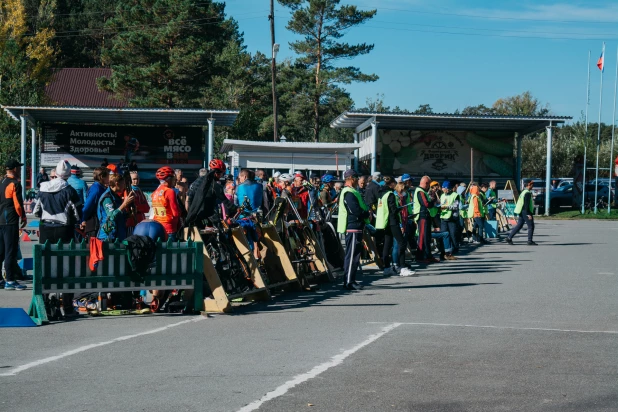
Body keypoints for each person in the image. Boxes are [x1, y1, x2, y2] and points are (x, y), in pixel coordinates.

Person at [337, 169, 370, 291]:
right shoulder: (348, 193)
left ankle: (351, 280)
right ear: (351, 178)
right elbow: (354, 210)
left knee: (355, 255)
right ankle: (349, 281)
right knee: (352, 256)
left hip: (356, 226)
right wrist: (366, 214)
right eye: (356, 177)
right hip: (352, 226)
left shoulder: (351, 191)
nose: (358, 180)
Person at [34, 159, 81, 244]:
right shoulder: (70, 191)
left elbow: (35, 210)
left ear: (55, 173)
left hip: (46, 228)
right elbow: (78, 214)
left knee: (45, 256)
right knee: (64, 256)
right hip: (65, 229)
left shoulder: (43, 188)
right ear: (69, 174)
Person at [376, 177, 414, 276]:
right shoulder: (391, 194)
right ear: (392, 184)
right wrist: (400, 209)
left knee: (387, 244)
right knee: (401, 243)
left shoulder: (382, 194)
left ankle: (387, 267)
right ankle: (402, 267)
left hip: (385, 221)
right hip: (393, 221)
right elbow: (393, 210)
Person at [1, 159, 28, 290]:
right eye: (19, 168)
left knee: (0, 251)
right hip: (10, 220)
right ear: (15, 169)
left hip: (0, 219)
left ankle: (1, 279)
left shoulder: (1, 181)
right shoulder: (14, 183)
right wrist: (23, 216)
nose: (20, 170)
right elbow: (18, 203)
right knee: (10, 251)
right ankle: (10, 280)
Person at [151, 167, 180, 241]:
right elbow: (175, 213)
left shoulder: (155, 192)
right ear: (169, 179)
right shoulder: (170, 191)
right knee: (171, 251)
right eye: (174, 177)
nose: (175, 180)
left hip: (157, 227)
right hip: (169, 228)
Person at [414, 176, 438, 264]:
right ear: (426, 183)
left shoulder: (423, 191)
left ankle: (428, 255)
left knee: (427, 237)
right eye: (429, 184)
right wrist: (433, 202)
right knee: (422, 237)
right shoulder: (420, 191)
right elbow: (426, 203)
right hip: (422, 216)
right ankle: (420, 256)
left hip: (426, 216)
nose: (429, 187)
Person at [506, 180, 537, 245]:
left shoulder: (523, 192)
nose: (532, 186)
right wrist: (528, 214)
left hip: (521, 211)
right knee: (531, 226)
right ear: (528, 185)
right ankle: (529, 240)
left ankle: (509, 237)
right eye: (531, 184)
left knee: (519, 225)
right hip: (525, 211)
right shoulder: (527, 193)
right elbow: (526, 204)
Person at [440, 181, 461, 254]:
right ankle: (446, 249)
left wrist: (446, 207)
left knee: (453, 234)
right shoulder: (442, 195)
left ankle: (455, 248)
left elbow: (455, 206)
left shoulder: (455, 195)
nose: (442, 189)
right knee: (444, 234)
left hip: (452, 218)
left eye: (443, 188)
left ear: (447, 188)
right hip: (443, 217)